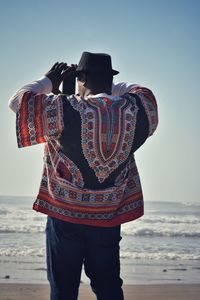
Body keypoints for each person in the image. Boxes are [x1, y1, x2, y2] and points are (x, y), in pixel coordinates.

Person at [9, 52, 158, 300]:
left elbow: (18, 102)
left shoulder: (65, 110)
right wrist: (107, 85)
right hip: (108, 216)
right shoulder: (137, 111)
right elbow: (140, 91)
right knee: (108, 286)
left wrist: (48, 79)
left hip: (64, 215)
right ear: (109, 80)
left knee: (64, 289)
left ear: (81, 78)